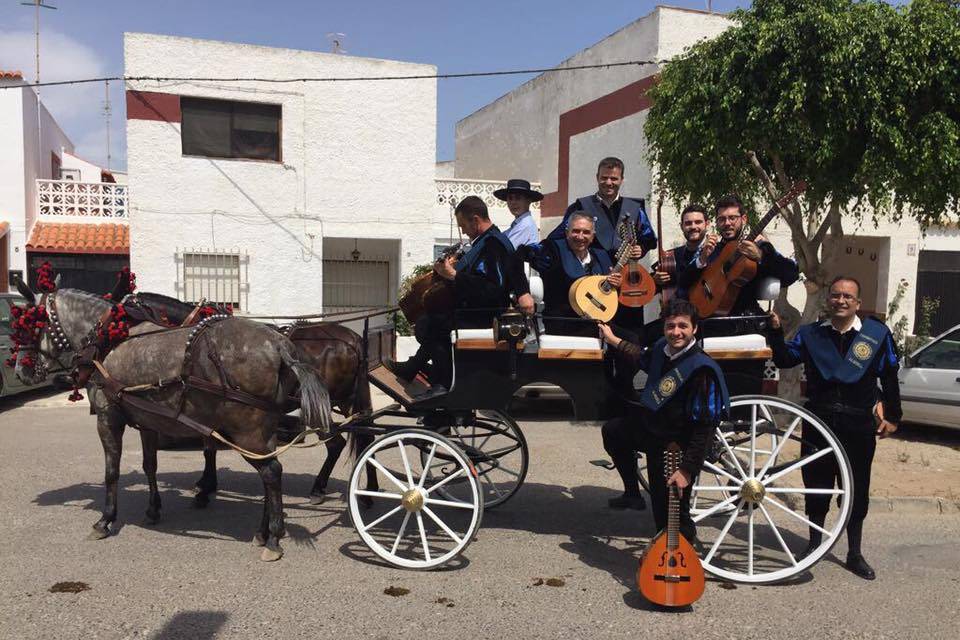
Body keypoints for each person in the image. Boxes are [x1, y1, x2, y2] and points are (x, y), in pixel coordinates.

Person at [768, 275, 901, 580]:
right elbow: (785, 359)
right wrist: (775, 333)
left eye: (847, 297)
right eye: (836, 295)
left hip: (857, 423)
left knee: (856, 488)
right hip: (819, 420)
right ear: (828, 300)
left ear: (858, 303)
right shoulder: (811, 334)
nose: (841, 300)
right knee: (817, 484)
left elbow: (890, 376)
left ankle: (854, 553)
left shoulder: (876, 335)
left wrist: (893, 415)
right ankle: (814, 545)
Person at [599, 298, 730, 544]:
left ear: (694, 329)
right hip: (653, 429)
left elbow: (705, 429)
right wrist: (613, 340)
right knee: (613, 432)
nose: (676, 332)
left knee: (670, 513)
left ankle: (684, 560)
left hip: (677, 447)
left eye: (682, 326)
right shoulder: (661, 348)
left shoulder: (702, 369)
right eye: (671, 326)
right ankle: (632, 493)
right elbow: (641, 357)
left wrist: (687, 470)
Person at [386, 196, 533, 397]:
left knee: (432, 324)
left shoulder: (493, 245)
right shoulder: (485, 241)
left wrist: (454, 275)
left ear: (475, 220)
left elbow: (492, 288)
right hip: (475, 310)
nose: (463, 230)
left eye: (463, 225)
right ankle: (416, 368)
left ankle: (442, 384)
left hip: (486, 315)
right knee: (429, 321)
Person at [676, 194, 799, 321]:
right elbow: (682, 284)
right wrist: (701, 259)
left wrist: (761, 256)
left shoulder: (760, 246)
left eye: (732, 218)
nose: (727, 223)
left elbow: (791, 274)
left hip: (744, 319)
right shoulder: (712, 249)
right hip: (707, 321)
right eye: (721, 219)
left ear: (744, 219)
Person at [525, 211, 618, 336]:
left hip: (597, 322)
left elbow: (608, 294)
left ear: (593, 236)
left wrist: (616, 284)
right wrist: (523, 294)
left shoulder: (600, 256)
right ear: (566, 232)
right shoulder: (552, 250)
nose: (580, 236)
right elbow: (517, 258)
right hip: (563, 324)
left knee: (632, 340)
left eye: (586, 232)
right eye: (576, 231)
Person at [546, 157, 656, 262]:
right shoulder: (580, 207)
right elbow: (558, 238)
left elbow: (649, 239)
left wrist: (641, 249)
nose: (608, 183)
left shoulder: (634, 209)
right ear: (597, 178)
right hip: (590, 274)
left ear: (622, 180)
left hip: (625, 275)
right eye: (604, 178)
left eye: (614, 179)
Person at [652, 203, 710, 300]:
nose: (693, 226)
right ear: (681, 226)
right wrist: (655, 281)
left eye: (698, 222)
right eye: (688, 223)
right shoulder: (670, 257)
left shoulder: (718, 252)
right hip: (678, 313)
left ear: (707, 224)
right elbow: (650, 290)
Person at [494, 178, 542, 250]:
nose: (513, 202)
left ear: (528, 201)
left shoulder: (526, 225)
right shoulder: (517, 224)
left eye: (518, 198)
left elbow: (504, 249)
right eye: (510, 198)